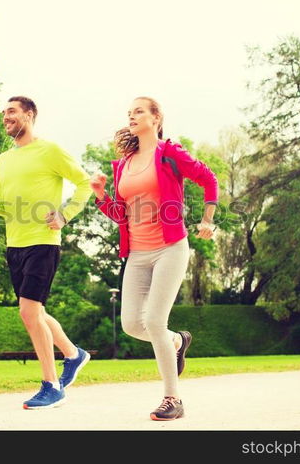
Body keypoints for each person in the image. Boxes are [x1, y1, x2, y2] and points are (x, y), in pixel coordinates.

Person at [90, 96, 218, 421]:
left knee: (154, 321)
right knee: (132, 323)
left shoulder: (169, 153)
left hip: (169, 248)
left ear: (156, 117)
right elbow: (121, 214)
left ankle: (172, 399)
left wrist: (208, 218)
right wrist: (101, 196)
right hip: (137, 253)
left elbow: (209, 178)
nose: (131, 116)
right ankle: (177, 341)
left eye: (139, 111)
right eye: (129, 113)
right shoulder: (124, 164)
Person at [0, 96, 93, 409]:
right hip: (15, 245)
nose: (5, 117)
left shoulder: (50, 150)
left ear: (29, 115)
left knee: (28, 312)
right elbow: (6, 208)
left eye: (11, 111)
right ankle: (74, 354)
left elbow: (84, 184)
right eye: (4, 113)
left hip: (43, 241)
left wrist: (65, 214)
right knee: (36, 312)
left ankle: (51, 385)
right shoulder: (4, 159)